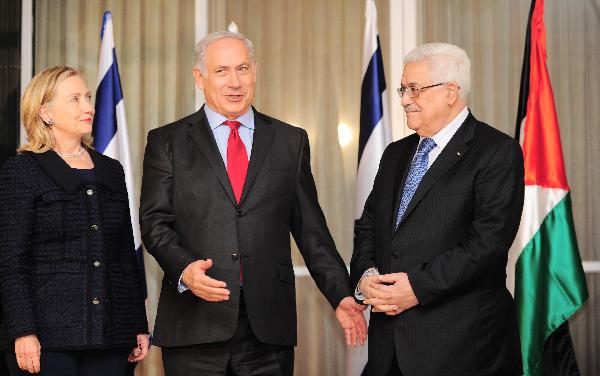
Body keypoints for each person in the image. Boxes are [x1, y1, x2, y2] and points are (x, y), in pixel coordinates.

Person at [140, 31, 366, 375]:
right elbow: (154, 223)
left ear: (255, 71)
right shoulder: (167, 141)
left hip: (267, 332)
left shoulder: (291, 141)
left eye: (242, 69)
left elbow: (311, 232)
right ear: (199, 77)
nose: (235, 82)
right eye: (222, 71)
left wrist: (341, 295)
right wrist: (185, 268)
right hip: (194, 325)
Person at [350, 43, 524, 376]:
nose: (403, 99)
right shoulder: (394, 154)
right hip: (389, 351)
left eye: (414, 89)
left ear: (451, 92)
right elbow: (368, 227)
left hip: (462, 348)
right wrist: (366, 275)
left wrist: (416, 286)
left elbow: (487, 244)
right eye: (403, 89)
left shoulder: (496, 152)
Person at [0, 65, 149, 375]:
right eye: (75, 99)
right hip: (46, 340)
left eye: (88, 97)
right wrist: (22, 331)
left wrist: (137, 323)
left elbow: (123, 254)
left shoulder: (111, 169)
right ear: (45, 112)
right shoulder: (22, 171)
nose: (89, 107)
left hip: (111, 336)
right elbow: (12, 261)